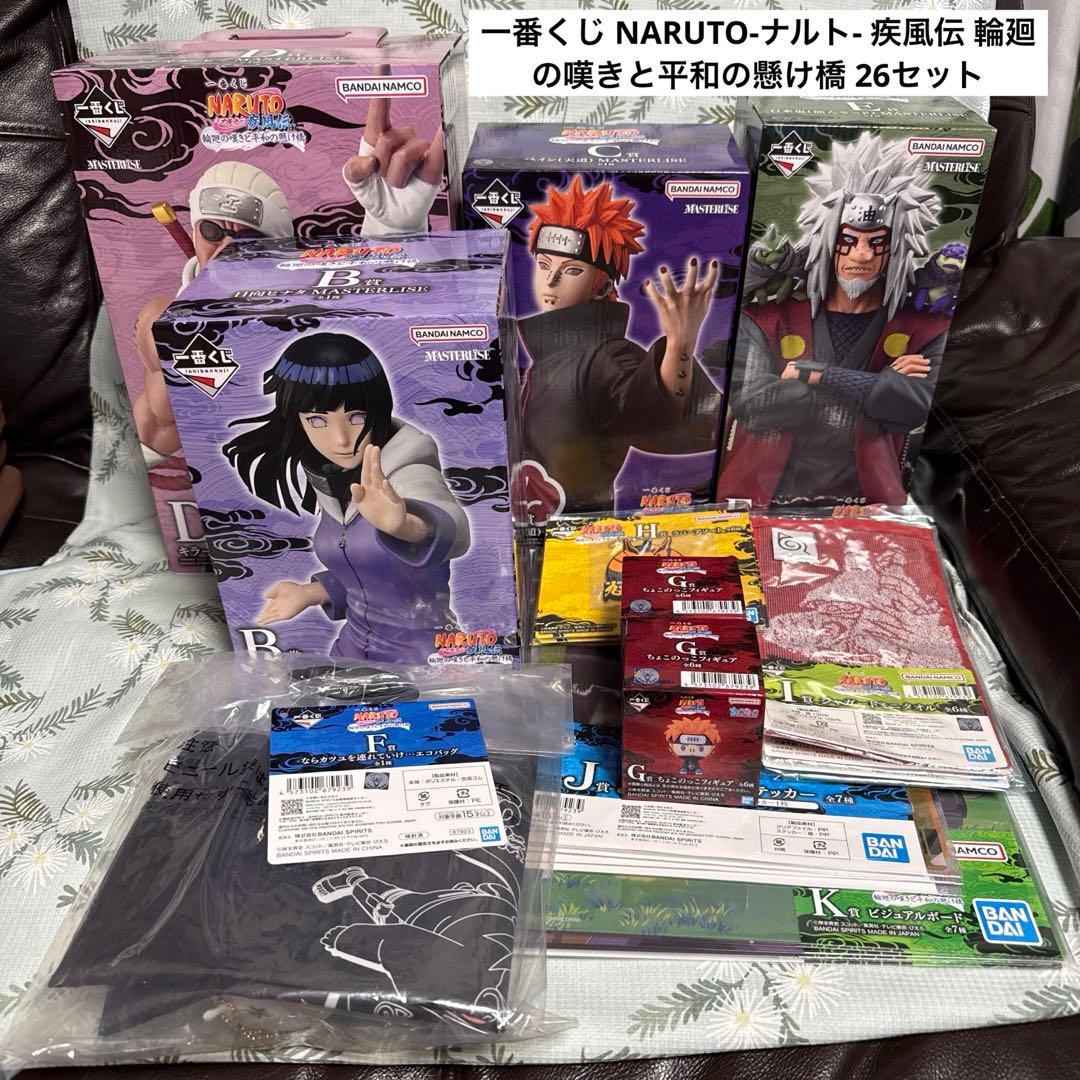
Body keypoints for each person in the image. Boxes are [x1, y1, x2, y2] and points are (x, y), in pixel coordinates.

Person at [716, 132, 951, 506]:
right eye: (848, 240)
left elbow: (909, 407)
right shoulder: (768, 315)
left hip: (868, 504)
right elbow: (753, 404)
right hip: (760, 495)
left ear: (898, 247)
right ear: (826, 237)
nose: (861, 255)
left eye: (877, 243)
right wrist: (879, 384)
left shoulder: (925, 328)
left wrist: (817, 375)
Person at [223, 332, 470, 663]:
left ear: (377, 411)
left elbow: (454, 529)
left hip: (423, 653)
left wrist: (407, 526)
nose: (341, 439)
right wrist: (310, 593)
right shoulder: (332, 482)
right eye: (317, 420)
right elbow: (366, 576)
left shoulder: (407, 470)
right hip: (353, 647)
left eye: (356, 417)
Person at [513, 176, 719, 519]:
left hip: (579, 530)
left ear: (601, 284)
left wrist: (679, 345)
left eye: (572, 270)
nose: (550, 281)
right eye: (544, 264)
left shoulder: (607, 355)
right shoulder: (542, 350)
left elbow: (649, 415)